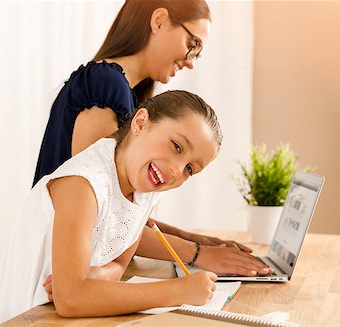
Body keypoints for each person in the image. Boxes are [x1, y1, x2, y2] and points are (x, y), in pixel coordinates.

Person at [33, 0, 270, 287]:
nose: (191, 61)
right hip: (51, 272)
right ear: (158, 21)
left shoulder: (125, 94)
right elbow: (103, 218)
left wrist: (195, 241)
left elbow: (122, 217)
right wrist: (198, 254)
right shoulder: (105, 85)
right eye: (192, 43)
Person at [0, 91, 224, 326]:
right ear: (141, 123)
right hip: (10, 320)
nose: (177, 170)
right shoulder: (83, 184)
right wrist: (178, 291)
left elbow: (119, 263)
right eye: (176, 146)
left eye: (190, 169)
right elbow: (71, 299)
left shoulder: (144, 189)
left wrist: (96, 277)